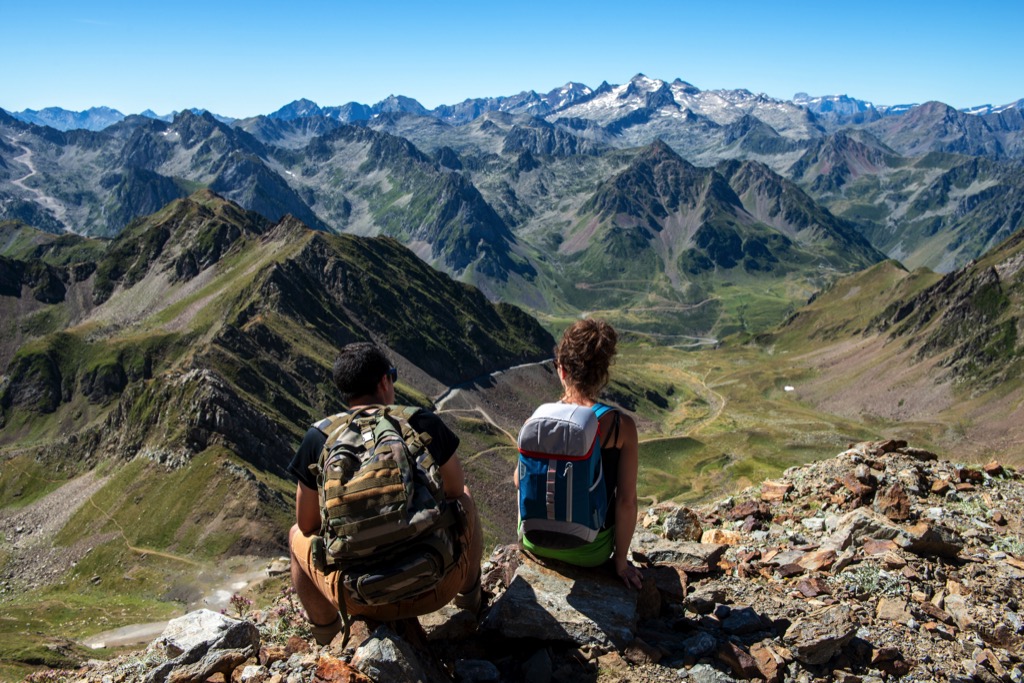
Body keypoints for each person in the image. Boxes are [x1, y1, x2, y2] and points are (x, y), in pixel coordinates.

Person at [288, 342, 484, 644]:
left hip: (360, 598)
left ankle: (329, 637)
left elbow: (307, 524)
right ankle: (470, 603)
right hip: (437, 585)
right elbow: (455, 490)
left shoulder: (318, 438)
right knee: (465, 497)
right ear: (384, 381)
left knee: (294, 536)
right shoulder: (420, 421)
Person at [515, 319, 643, 589]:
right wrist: (620, 562)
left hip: (535, 542)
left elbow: (519, 481)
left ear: (561, 370)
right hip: (590, 552)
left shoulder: (537, 420)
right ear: (603, 373)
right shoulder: (621, 427)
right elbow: (627, 502)